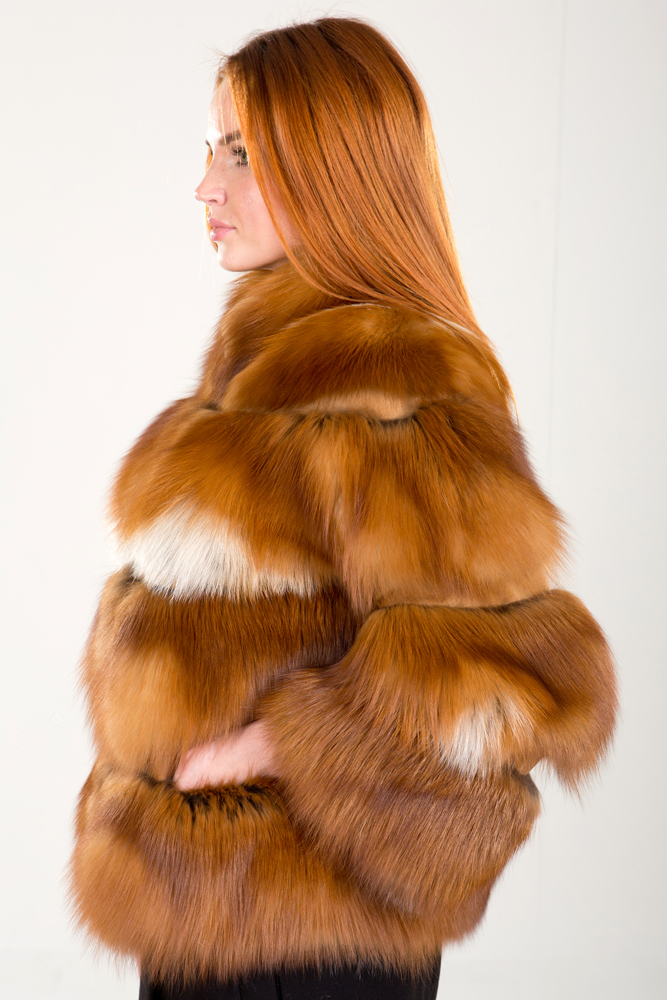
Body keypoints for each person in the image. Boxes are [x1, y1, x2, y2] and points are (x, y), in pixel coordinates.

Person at [68, 16, 617, 1000]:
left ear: (334, 168)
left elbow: (491, 686)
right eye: (211, 147)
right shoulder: (269, 368)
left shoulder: (393, 377)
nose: (205, 185)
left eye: (241, 152)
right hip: (213, 916)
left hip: (312, 935)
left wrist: (268, 746)